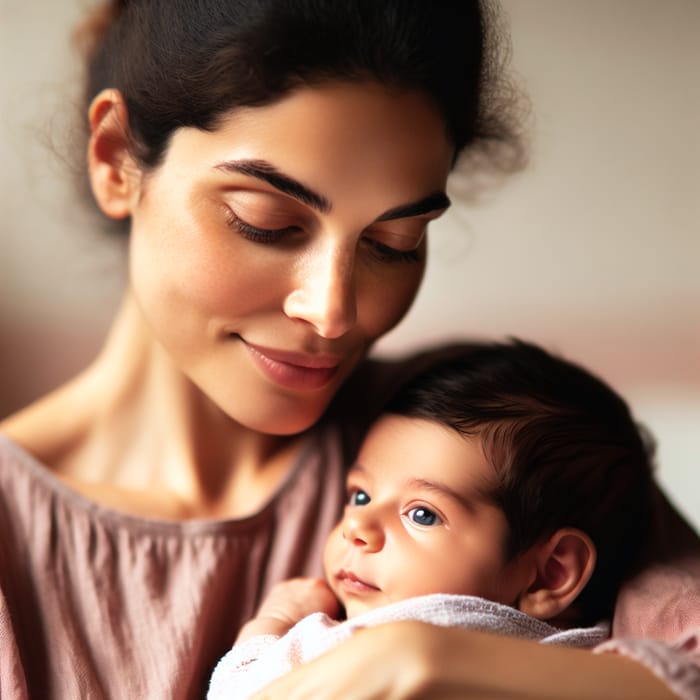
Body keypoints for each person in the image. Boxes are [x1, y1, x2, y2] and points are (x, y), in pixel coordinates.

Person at [0, 1, 698, 699]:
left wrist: (425, 658)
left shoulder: (474, 427)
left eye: (392, 245)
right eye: (265, 222)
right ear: (116, 159)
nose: (332, 313)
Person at [207, 339, 653, 698]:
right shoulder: (605, 665)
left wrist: (270, 625)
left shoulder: (364, 648)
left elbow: (241, 693)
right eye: (360, 495)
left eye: (421, 514)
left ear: (550, 574)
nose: (356, 528)